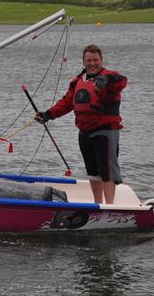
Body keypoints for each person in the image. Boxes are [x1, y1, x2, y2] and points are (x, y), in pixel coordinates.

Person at [34, 44, 127, 204]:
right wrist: (48, 115)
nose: (92, 63)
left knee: (107, 172)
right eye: (89, 60)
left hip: (105, 132)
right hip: (84, 133)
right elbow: (66, 103)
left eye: (95, 60)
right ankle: (97, 204)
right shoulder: (78, 81)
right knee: (92, 172)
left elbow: (121, 81)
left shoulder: (109, 78)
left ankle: (110, 206)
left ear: (101, 60)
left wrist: (106, 79)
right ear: (84, 62)